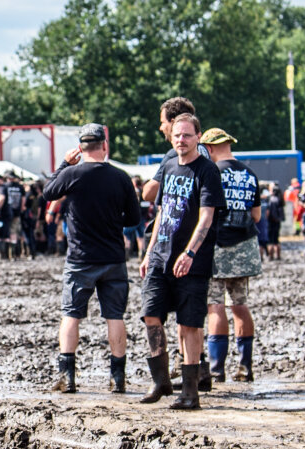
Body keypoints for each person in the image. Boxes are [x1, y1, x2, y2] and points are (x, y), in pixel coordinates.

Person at [43, 123, 141, 394]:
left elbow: (48, 192)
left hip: (80, 258)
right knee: (115, 316)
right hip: (112, 257)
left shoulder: (73, 174)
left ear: (81, 148)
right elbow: (134, 219)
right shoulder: (121, 177)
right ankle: (117, 378)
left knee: (71, 315)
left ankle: (67, 377)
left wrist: (64, 163)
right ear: (105, 145)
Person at [138, 113, 225, 410]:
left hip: (193, 263)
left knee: (189, 324)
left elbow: (207, 217)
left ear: (198, 137)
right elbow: (161, 212)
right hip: (160, 257)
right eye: (177, 135)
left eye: (187, 135)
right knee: (151, 315)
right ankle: (161, 381)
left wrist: (189, 253)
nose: (181, 140)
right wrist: (149, 253)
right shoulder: (170, 166)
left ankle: (190, 391)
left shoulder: (207, 171)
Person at [201, 128, 261, 383]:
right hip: (245, 245)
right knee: (239, 304)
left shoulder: (213, 173)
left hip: (218, 245)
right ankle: (245, 367)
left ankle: (217, 369)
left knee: (215, 305)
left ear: (210, 148)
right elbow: (256, 216)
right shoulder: (249, 173)